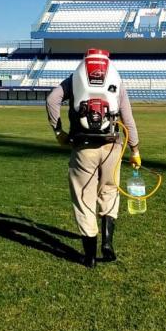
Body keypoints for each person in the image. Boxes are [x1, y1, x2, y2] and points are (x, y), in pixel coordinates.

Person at [46, 48, 141, 268]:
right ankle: (107, 244)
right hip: (112, 146)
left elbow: (52, 99)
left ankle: (89, 256)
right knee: (109, 190)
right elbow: (127, 117)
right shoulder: (116, 78)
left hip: (82, 147)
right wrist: (135, 149)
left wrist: (59, 132)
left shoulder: (75, 78)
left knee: (83, 197)